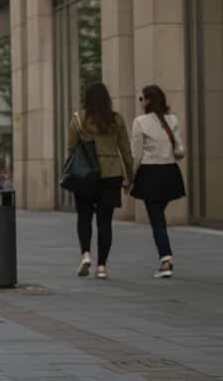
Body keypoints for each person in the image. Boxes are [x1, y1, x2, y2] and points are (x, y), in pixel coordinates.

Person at [66, 82, 133, 280]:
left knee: (84, 217)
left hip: (85, 175)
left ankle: (86, 254)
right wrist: (130, 176)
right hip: (111, 175)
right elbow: (126, 151)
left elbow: (70, 150)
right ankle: (102, 266)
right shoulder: (116, 120)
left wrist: (69, 173)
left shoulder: (79, 120)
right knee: (105, 222)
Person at [130, 84, 185, 279]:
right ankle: (165, 258)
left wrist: (130, 177)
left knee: (157, 221)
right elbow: (180, 151)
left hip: (150, 174)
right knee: (158, 216)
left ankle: (166, 260)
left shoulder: (140, 121)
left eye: (141, 99)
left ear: (148, 100)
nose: (141, 102)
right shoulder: (173, 119)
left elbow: (136, 155)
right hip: (170, 173)